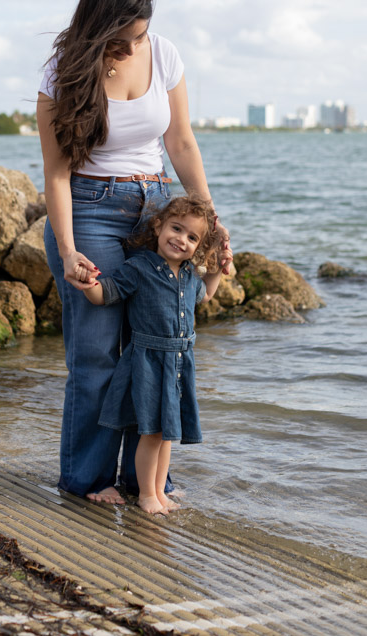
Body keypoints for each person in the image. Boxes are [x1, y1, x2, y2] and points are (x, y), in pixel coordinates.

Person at [37, 0, 230, 504]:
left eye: (139, 36)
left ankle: (145, 481)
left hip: (157, 211)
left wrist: (210, 223)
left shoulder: (164, 54)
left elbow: (182, 141)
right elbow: (55, 174)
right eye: (120, 40)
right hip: (90, 210)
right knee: (98, 355)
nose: (133, 47)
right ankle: (90, 482)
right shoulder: (61, 74)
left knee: (156, 347)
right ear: (96, 30)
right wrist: (70, 249)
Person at [76, 196, 232, 514]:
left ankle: (160, 492)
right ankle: (147, 494)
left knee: (166, 434)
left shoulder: (189, 275)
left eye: (192, 238)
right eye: (176, 228)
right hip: (148, 361)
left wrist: (217, 267)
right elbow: (105, 293)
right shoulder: (140, 268)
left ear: (199, 247)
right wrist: (87, 283)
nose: (181, 240)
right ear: (159, 226)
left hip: (178, 364)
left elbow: (207, 293)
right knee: (151, 433)